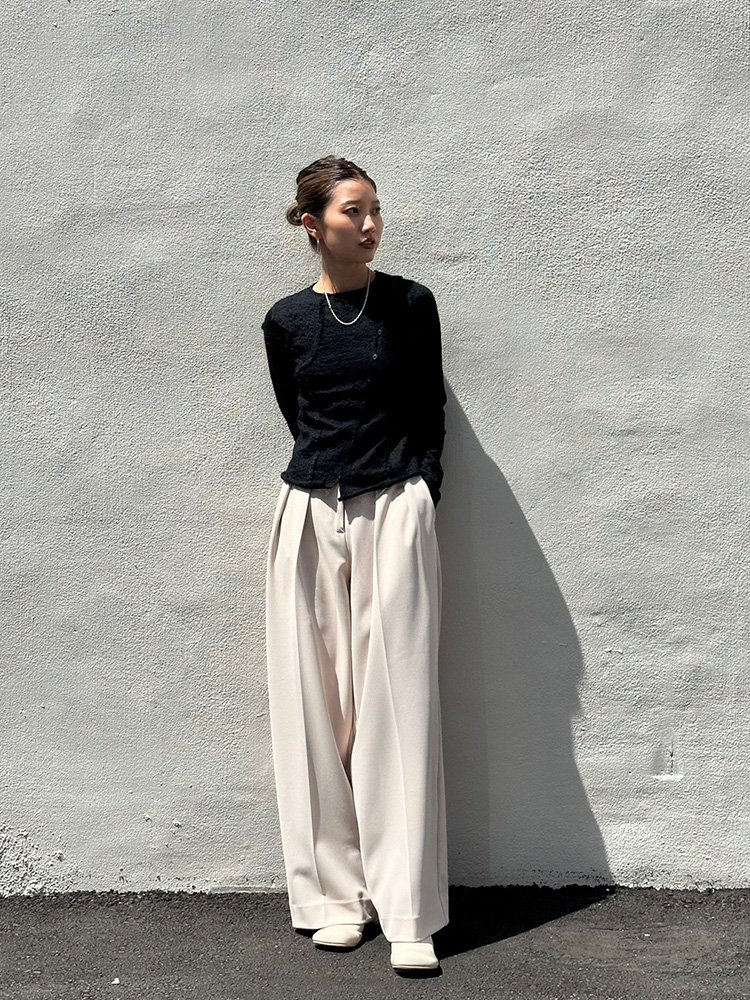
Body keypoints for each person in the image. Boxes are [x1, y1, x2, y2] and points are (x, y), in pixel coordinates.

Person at [262, 155, 448, 974]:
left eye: (375, 209)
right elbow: (296, 413)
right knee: (312, 709)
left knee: (397, 707)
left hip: (394, 505)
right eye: (352, 212)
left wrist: (422, 494)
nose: (371, 225)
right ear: (313, 225)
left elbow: (428, 409)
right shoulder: (285, 321)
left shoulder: (410, 304)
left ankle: (407, 912)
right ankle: (335, 900)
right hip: (309, 511)